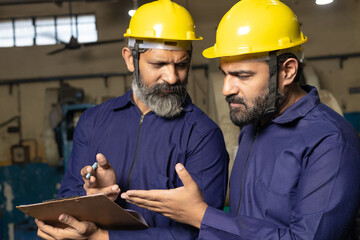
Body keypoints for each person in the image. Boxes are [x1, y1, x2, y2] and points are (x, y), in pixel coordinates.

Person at [121, 0, 360, 239]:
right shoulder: (253, 124)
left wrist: (201, 215)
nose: (226, 89)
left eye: (242, 75)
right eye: (224, 73)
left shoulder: (330, 142)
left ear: (287, 71)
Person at [35, 0, 229, 239]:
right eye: (158, 64)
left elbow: (200, 232)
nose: (171, 77)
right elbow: (68, 200)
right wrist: (93, 197)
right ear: (130, 59)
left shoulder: (203, 135)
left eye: (182, 64)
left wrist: (105, 238)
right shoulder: (93, 122)